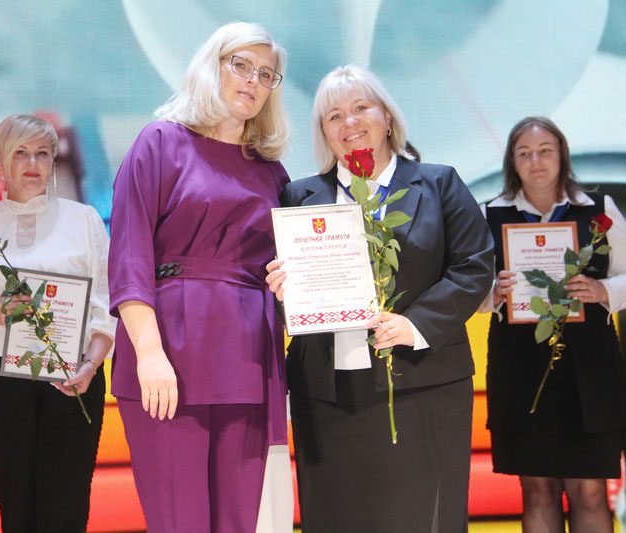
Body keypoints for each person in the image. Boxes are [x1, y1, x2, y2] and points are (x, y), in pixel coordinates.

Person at [265, 64, 494, 532]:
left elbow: (474, 265)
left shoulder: (439, 184)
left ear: (386, 116)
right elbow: (284, 299)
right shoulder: (298, 197)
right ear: (323, 132)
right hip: (328, 397)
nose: (349, 123)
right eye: (334, 116)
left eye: (360, 108)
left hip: (427, 386)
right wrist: (285, 293)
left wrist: (415, 324)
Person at [108, 22, 293, 533]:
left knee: (238, 521)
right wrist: (150, 355)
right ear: (212, 67)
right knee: (179, 521)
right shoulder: (159, 142)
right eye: (241, 65)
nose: (253, 81)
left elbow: (286, 269)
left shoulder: (272, 172)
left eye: (266, 74)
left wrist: (289, 283)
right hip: (169, 356)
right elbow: (129, 258)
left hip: (248, 360)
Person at [0, 114, 115, 532]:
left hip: (73, 378)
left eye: (43, 154)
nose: (33, 163)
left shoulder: (84, 220)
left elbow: (105, 303)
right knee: (18, 511)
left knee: (66, 509)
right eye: (21, 153)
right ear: (0, 162)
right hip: (0, 384)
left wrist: (91, 366)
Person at [481, 116, 626, 532]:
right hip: (519, 369)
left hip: (591, 371)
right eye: (524, 153)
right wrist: (493, 293)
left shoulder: (599, 210)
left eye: (545, 151)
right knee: (537, 490)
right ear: (512, 162)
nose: (536, 161)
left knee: (590, 491)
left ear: (562, 154)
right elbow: (470, 289)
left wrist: (602, 290)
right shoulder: (489, 214)